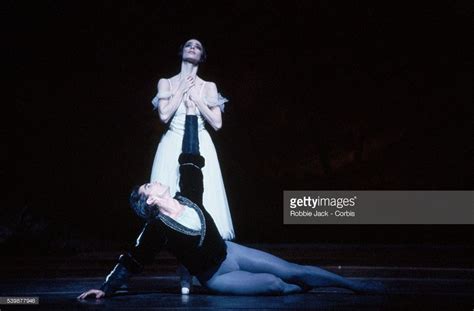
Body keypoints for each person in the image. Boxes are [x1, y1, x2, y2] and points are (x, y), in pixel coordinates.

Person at [78, 100, 384, 299]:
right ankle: (308, 291)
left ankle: (352, 285)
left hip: (232, 252)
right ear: (150, 202)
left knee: (293, 269)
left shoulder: (188, 196)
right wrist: (105, 288)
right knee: (276, 285)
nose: (155, 181)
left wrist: (190, 116)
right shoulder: (157, 230)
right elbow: (132, 260)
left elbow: (190, 159)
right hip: (215, 276)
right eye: (149, 186)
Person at [150, 38, 234, 294]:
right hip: (172, 142)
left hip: (200, 142)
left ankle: (199, 270)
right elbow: (164, 116)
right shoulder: (166, 82)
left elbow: (218, 124)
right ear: (181, 52)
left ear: (202, 56)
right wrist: (179, 92)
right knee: (173, 205)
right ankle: (184, 270)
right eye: (189, 45)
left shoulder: (209, 87)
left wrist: (197, 100)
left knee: (201, 203)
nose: (193, 48)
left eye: (198, 46)